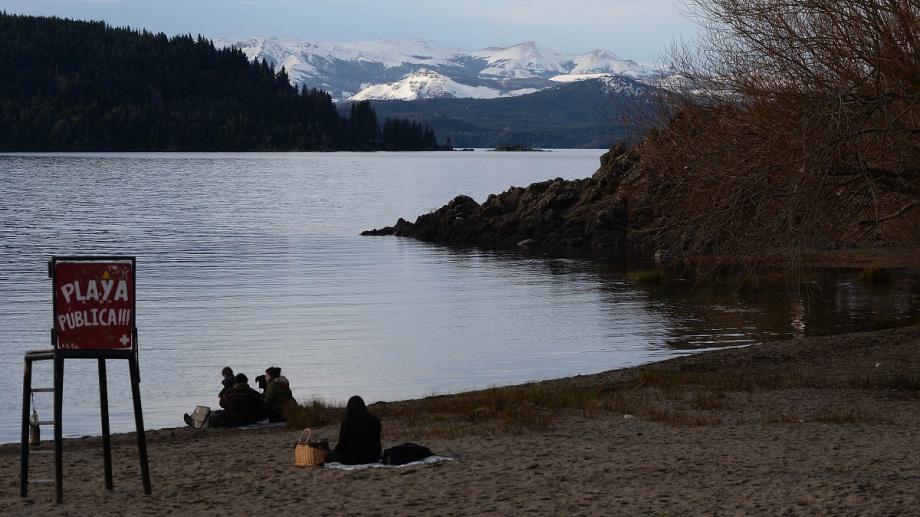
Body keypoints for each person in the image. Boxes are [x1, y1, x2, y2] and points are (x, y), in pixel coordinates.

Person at [184, 373, 264, 428]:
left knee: (208, 413)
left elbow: (221, 404)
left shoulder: (228, 392)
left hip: (230, 421)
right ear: (246, 381)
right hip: (249, 420)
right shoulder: (255, 394)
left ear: (235, 382)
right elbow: (260, 406)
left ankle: (193, 421)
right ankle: (194, 419)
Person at [325, 395, 381, 465]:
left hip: (351, 459)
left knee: (326, 455)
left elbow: (341, 446)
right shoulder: (375, 421)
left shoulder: (347, 423)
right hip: (373, 457)